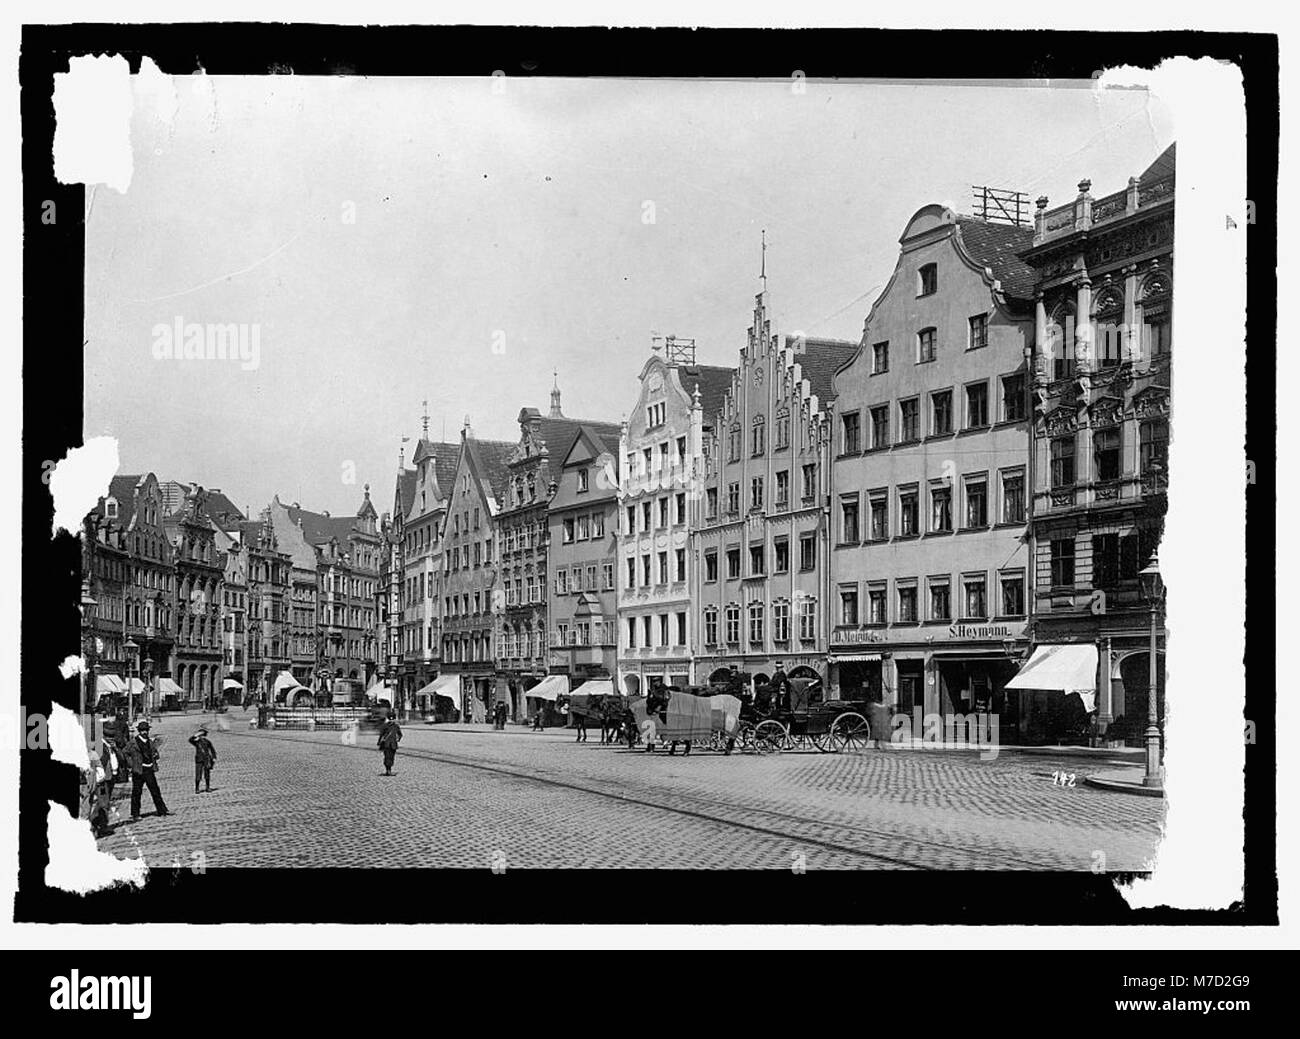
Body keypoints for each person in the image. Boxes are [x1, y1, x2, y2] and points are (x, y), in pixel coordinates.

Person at [123, 720, 169, 820]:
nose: (144, 732)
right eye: (142, 730)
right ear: (139, 731)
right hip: (138, 770)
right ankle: (135, 814)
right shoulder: (133, 742)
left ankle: (161, 810)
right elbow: (125, 753)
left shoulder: (150, 742)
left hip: (149, 769)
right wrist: (131, 764)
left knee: (155, 790)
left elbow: (155, 752)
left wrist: (156, 756)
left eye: (146, 730)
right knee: (137, 792)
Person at [188, 726, 217, 793]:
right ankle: (197, 788)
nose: (202, 737)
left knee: (207, 774)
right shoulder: (196, 742)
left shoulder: (207, 742)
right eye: (201, 735)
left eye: (203, 735)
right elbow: (190, 740)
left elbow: (212, 750)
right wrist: (196, 735)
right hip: (199, 759)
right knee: (198, 774)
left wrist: (214, 757)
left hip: (207, 759)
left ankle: (207, 787)